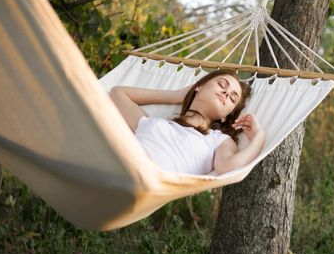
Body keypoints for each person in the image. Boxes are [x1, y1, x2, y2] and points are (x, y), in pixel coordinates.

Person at [109, 69, 265, 176]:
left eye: (232, 98)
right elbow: (117, 93)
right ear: (199, 87)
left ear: (226, 115)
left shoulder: (217, 140)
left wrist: (259, 137)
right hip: (113, 162)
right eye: (222, 85)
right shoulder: (152, 122)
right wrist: (176, 96)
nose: (226, 92)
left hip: (145, 178)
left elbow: (228, 166)